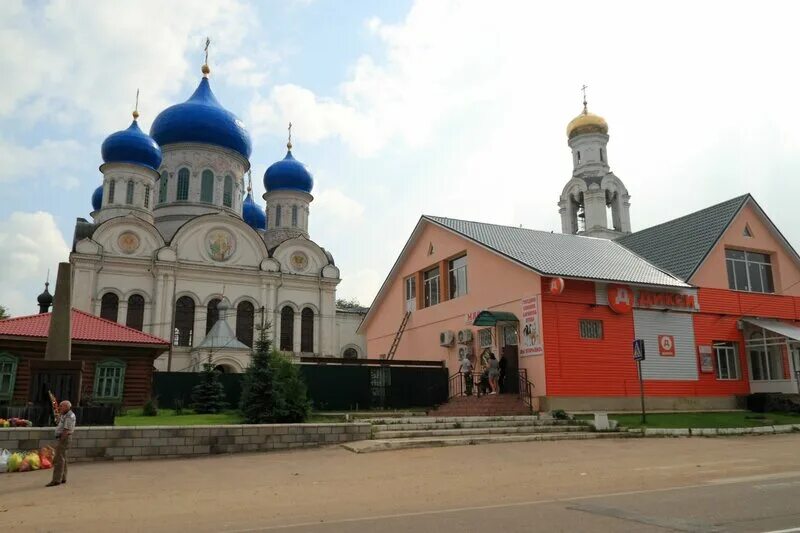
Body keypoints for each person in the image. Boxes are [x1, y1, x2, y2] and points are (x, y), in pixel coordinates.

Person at [47, 400, 76, 487]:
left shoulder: (69, 416)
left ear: (67, 406)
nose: (60, 408)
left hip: (64, 438)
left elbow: (66, 430)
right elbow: (61, 425)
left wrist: (61, 440)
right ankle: (63, 477)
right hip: (64, 438)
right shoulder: (65, 415)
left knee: (58, 459)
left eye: (61, 406)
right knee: (63, 458)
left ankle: (56, 480)